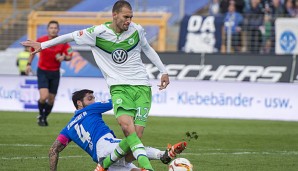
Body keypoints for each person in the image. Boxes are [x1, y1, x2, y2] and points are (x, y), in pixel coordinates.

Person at [21, 1, 169, 170]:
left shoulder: (137, 30)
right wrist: (42, 45)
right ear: (114, 15)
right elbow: (70, 36)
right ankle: (148, 167)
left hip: (142, 86)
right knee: (127, 128)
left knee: (136, 136)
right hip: (119, 87)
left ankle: (104, 165)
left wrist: (163, 71)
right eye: (126, 17)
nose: (129, 20)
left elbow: (148, 48)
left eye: (131, 17)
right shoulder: (97, 33)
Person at [49, 89, 186, 171]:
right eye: (90, 98)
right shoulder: (90, 108)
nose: (94, 101)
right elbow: (115, 102)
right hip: (106, 144)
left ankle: (164, 155)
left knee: (133, 168)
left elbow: (53, 151)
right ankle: (163, 155)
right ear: (79, 103)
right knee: (133, 142)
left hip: (101, 157)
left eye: (94, 98)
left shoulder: (68, 128)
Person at [26, 20, 73, 127]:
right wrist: (28, 64)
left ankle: (43, 117)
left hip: (55, 73)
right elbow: (32, 51)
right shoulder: (41, 40)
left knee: (51, 99)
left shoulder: (63, 42)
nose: (53, 30)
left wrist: (64, 57)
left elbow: (70, 55)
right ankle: (41, 115)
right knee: (44, 97)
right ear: (48, 29)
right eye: (51, 28)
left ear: (58, 30)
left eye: (55, 28)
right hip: (42, 71)